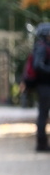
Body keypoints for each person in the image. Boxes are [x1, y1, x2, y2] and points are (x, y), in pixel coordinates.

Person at [33, 23, 50, 152]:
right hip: (44, 86)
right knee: (43, 115)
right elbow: (37, 66)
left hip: (45, 86)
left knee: (43, 115)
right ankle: (41, 144)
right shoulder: (42, 48)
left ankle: (42, 143)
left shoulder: (44, 47)